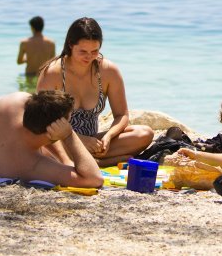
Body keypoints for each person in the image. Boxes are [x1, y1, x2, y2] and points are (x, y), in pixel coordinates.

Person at [37, 17, 153, 166]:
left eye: (95, 51)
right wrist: (79, 140)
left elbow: (121, 115)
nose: (89, 56)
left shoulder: (108, 71)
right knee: (46, 146)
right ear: (71, 45)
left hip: (93, 141)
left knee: (144, 134)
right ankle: (99, 162)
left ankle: (89, 160)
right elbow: (42, 122)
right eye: (83, 51)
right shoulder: (53, 73)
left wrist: (108, 137)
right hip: (61, 141)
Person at [0, 90, 103, 187]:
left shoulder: (16, 101)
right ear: (52, 132)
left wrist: (66, 161)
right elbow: (94, 179)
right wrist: (68, 135)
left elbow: (44, 121)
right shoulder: (29, 165)